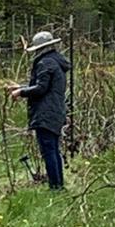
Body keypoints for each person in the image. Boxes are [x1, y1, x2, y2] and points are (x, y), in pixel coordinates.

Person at [9, 31, 70, 191]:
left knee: (48, 150)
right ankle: (58, 185)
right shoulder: (56, 62)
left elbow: (41, 88)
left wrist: (20, 93)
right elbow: (45, 85)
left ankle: (55, 187)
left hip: (46, 112)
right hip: (56, 110)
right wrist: (21, 87)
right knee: (53, 149)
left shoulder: (45, 63)